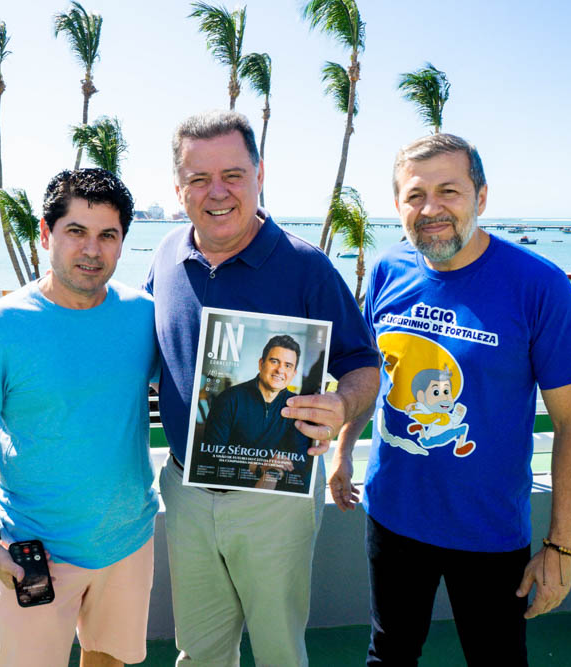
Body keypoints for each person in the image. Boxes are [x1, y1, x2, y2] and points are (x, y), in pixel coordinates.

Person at [329, 133, 571, 665]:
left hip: (488, 529)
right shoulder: (387, 270)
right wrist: (343, 450)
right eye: (415, 195)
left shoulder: (538, 284)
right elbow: (371, 374)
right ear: (398, 205)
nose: (431, 209)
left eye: (448, 191)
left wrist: (560, 546)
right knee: (389, 653)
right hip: (392, 516)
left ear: (482, 196)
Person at [146, 110, 380, 666]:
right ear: (178, 188)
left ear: (259, 175)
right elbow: (147, 351)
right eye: (199, 179)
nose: (217, 192)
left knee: (278, 651)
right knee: (199, 653)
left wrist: (341, 403)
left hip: (275, 496)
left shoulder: (306, 266)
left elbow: (364, 364)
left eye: (233, 175)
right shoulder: (166, 255)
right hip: (185, 490)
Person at [0, 168, 159, 667]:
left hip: (128, 541)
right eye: (76, 232)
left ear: (122, 242)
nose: (92, 250)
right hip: (34, 550)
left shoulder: (144, 314)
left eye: (108, 235)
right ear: (46, 233)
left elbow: (196, 389)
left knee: (107, 662)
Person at [202, 334, 308, 489]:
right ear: (261, 364)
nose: (280, 370)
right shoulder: (229, 399)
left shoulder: (298, 407)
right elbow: (210, 455)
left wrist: (273, 472)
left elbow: (300, 460)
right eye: (274, 361)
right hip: (228, 490)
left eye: (288, 365)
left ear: (293, 374)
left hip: (277, 491)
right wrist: (259, 466)